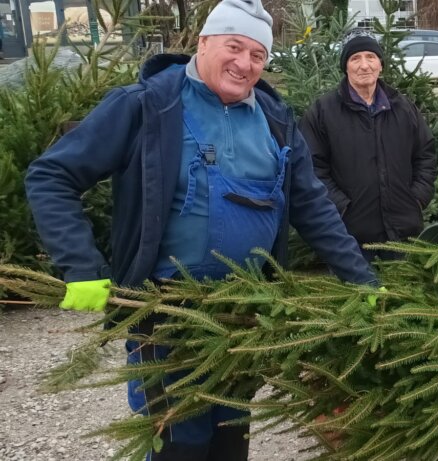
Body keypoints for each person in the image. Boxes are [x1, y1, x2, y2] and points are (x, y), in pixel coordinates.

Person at [24, 0, 376, 459]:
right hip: (168, 314)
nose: (244, 64)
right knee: (179, 443)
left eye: (257, 56)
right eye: (234, 47)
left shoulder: (276, 121)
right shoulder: (148, 106)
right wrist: (82, 266)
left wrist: (361, 277)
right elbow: (51, 176)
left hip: (243, 316)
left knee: (232, 435)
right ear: (203, 42)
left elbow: (313, 206)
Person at [300, 31, 436, 264]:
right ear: (346, 66)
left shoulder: (403, 108)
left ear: (380, 64)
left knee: (404, 297)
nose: (364, 65)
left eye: (371, 57)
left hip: (403, 234)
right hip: (350, 236)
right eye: (355, 58)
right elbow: (311, 167)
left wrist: (417, 199)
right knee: (360, 298)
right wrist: (342, 207)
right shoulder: (323, 112)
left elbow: (425, 154)